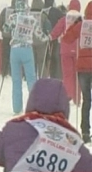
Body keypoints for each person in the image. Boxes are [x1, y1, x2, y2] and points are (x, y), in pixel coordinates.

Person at [2, 0, 49, 115]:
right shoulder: (32, 19)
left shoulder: (13, 18)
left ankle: (17, 108)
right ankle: (34, 106)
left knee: (16, 80)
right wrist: (47, 37)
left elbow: (5, 30)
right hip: (27, 50)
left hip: (15, 50)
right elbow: (40, 35)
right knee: (31, 79)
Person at [62, 1, 92, 143]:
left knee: (87, 100)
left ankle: (85, 131)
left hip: (83, 67)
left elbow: (67, 38)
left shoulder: (82, 25)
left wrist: (75, 24)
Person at [50, 0, 81, 105]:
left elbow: (56, 31)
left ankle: (68, 95)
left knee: (67, 74)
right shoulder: (81, 20)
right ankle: (77, 98)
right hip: (78, 50)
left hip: (65, 50)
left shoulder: (64, 19)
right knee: (78, 74)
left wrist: (50, 37)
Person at [30, 0, 52, 79]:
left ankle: (31, 77)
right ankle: (43, 77)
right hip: (41, 42)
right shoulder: (43, 15)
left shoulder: (28, 15)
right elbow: (48, 27)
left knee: (31, 62)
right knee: (41, 61)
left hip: (30, 41)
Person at [44, 0, 65, 79]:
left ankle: (48, 73)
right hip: (54, 36)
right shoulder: (54, 10)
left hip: (43, 36)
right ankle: (56, 74)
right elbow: (64, 18)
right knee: (55, 56)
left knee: (46, 56)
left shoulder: (42, 9)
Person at [0, 0, 16, 77]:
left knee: (5, 54)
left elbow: (0, 22)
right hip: (15, 37)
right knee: (14, 55)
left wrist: (2, 30)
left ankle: (4, 72)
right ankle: (13, 71)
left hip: (6, 36)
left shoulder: (5, 10)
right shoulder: (19, 11)